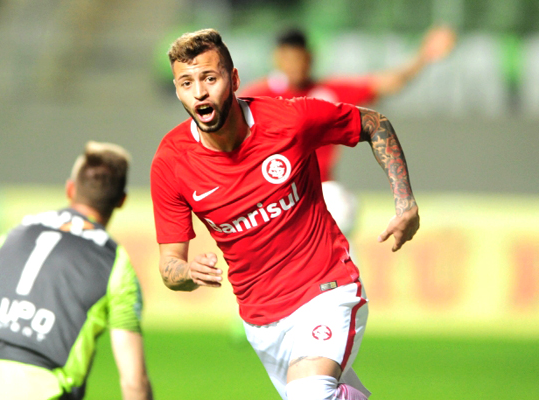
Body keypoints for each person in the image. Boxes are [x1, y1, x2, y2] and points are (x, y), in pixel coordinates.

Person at [150, 29, 419, 400]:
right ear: (178, 91)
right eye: (186, 83)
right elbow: (169, 267)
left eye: (210, 78)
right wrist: (187, 272)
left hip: (327, 290)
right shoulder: (171, 163)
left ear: (235, 79)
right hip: (261, 321)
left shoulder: (289, 119)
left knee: (310, 394)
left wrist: (404, 203)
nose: (199, 92)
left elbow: (374, 123)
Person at [0, 142, 153, 400]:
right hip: (36, 388)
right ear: (122, 200)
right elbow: (133, 381)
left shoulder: (14, 234)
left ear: (70, 188)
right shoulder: (116, 263)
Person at [240, 26, 454, 235]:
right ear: (278, 58)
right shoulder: (258, 97)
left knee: (340, 207)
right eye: (289, 58)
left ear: (310, 57)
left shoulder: (325, 93)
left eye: (299, 57)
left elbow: (387, 83)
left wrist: (424, 56)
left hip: (320, 192)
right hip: (274, 196)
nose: (295, 65)